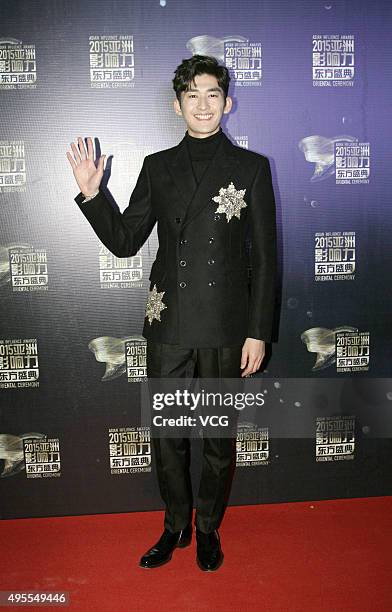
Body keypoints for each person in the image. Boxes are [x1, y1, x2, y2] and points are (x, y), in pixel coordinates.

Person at [66, 54, 277, 572]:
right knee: (168, 438)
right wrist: (94, 195)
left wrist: (258, 333)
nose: (202, 105)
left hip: (227, 329)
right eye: (191, 95)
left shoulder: (251, 168)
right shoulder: (158, 166)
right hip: (170, 325)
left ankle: (207, 529)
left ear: (227, 103)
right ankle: (174, 524)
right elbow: (125, 241)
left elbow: (267, 259)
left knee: (216, 438)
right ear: (176, 104)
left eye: (212, 95)